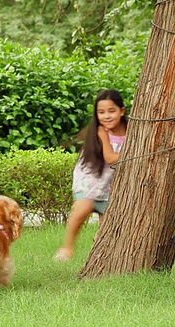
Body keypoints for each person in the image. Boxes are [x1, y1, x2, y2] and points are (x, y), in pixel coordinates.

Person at [53, 89, 127, 261]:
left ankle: (100, 248)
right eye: (101, 112)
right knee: (82, 208)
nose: (106, 116)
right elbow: (110, 158)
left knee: (108, 220)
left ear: (122, 111)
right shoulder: (101, 131)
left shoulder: (131, 132)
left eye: (111, 111)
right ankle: (67, 247)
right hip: (90, 177)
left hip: (111, 182)